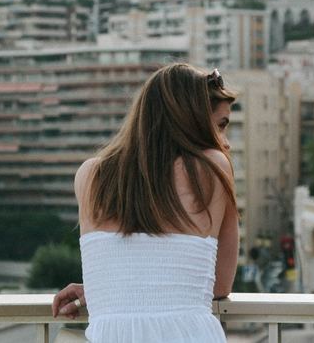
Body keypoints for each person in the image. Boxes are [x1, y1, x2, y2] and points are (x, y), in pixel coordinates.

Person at [52, 64, 239, 342]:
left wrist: (105, 289)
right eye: (221, 125)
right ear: (193, 120)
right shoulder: (212, 167)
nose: (226, 141)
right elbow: (220, 284)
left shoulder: (91, 175)